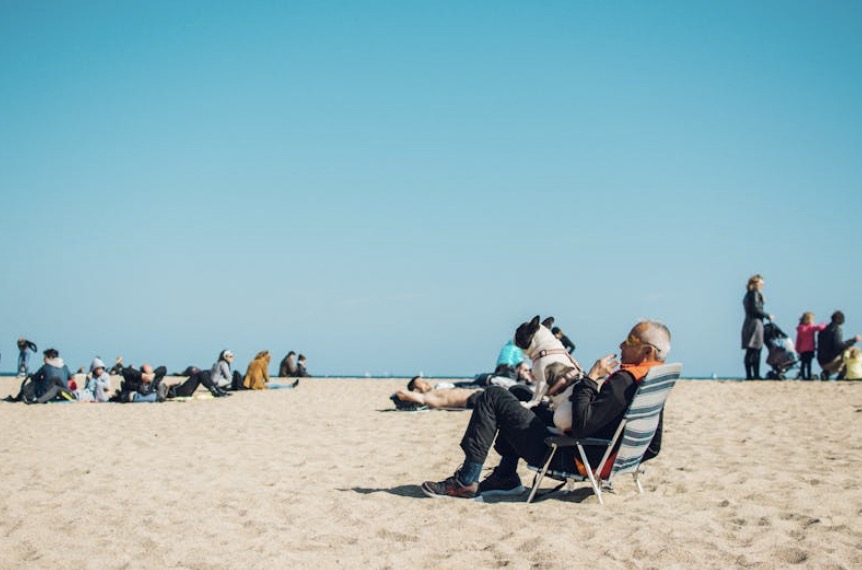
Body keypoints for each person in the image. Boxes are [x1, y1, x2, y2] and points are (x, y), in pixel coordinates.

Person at [420, 320, 671, 500]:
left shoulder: (623, 382)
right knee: (519, 394)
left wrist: (591, 378)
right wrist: (623, 458)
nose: (621, 344)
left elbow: (582, 424)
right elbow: (654, 446)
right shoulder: (651, 379)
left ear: (647, 351)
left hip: (570, 455)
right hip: (597, 453)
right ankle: (506, 476)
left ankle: (466, 481)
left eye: (630, 341)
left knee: (493, 396)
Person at [741, 274, 773, 380]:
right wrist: (767, 315)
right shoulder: (755, 294)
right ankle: (755, 374)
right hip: (755, 323)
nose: (762, 286)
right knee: (756, 349)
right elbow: (755, 309)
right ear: (755, 284)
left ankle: (749, 375)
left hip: (748, 322)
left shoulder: (747, 295)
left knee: (750, 350)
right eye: (761, 284)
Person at [817, 311, 861, 380]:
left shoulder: (824, 329)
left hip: (821, 360)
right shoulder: (836, 329)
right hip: (830, 360)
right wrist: (854, 340)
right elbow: (839, 346)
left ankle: (828, 373)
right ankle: (841, 375)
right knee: (849, 352)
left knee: (846, 351)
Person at [393, 377, 483, 410]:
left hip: (479, 394)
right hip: (475, 399)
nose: (426, 382)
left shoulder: (436, 390)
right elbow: (400, 393)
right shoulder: (427, 398)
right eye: (422, 383)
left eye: (425, 380)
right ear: (416, 391)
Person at [795, 312, 827, 380]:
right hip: (810, 348)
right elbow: (820, 327)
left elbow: (798, 340)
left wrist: (797, 349)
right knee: (809, 364)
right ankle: (809, 376)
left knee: (803, 363)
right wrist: (823, 324)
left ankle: (803, 376)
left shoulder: (800, 329)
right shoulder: (810, 327)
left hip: (802, 349)